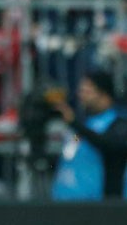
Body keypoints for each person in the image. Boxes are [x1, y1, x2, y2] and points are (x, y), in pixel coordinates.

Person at [49, 70, 127, 200]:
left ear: (104, 94)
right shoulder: (86, 124)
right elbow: (72, 149)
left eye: (87, 91)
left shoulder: (118, 123)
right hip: (64, 202)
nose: (81, 96)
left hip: (96, 206)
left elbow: (109, 145)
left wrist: (74, 123)